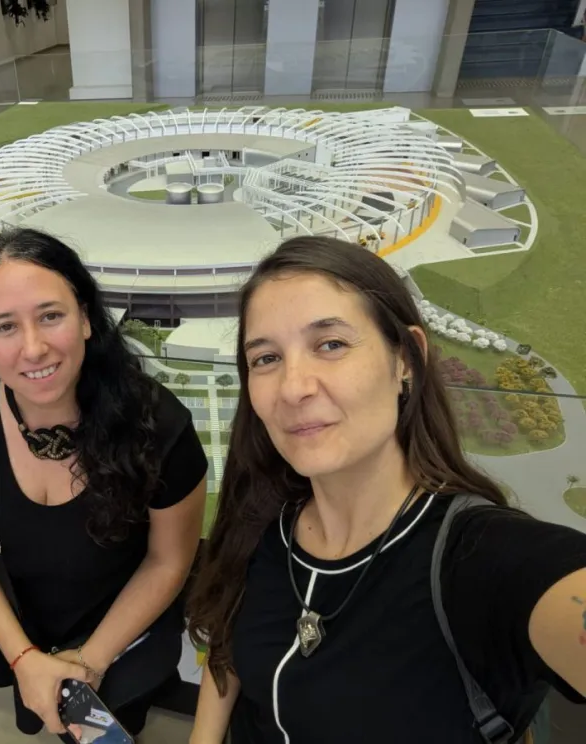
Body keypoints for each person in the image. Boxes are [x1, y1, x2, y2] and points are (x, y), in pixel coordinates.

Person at [186, 236, 586, 743]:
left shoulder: (481, 559)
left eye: (330, 344)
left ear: (407, 359)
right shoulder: (260, 521)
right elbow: (227, 648)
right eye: (265, 358)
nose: (293, 386)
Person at [0, 227, 208, 740]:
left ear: (85, 318)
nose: (33, 348)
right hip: (20, 630)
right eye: (5, 327)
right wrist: (25, 659)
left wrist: (87, 665)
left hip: (121, 639)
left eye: (50, 316)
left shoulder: (160, 425)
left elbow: (169, 560)